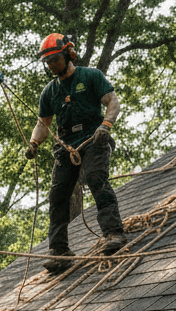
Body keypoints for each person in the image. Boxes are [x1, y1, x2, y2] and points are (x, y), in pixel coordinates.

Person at [24, 33, 128, 273]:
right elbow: (43, 124)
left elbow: (112, 102)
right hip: (65, 146)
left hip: (93, 138)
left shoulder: (90, 76)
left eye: (54, 60)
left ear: (69, 54)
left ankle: (114, 233)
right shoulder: (49, 91)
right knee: (57, 195)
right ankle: (59, 251)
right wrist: (34, 144)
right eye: (47, 62)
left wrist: (106, 126)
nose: (51, 65)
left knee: (96, 178)